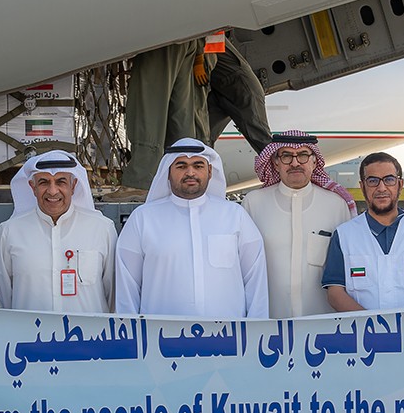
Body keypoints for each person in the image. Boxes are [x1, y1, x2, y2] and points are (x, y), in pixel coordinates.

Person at [115, 139, 269, 317]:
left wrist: (254, 332)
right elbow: (127, 287)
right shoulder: (143, 219)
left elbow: (255, 281)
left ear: (210, 171)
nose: (190, 172)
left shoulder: (235, 216)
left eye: (198, 165)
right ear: (167, 172)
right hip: (159, 337)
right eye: (181, 166)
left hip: (227, 337)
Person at [243, 131, 356, 317]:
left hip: (322, 320)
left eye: (303, 155)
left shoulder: (336, 205)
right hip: (269, 320)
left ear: (314, 161)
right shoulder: (254, 203)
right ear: (275, 163)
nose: (295, 163)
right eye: (286, 156)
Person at [322, 151, 404, 311]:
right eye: (373, 181)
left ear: (400, 184)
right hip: (365, 333)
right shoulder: (344, 235)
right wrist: (374, 326)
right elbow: (335, 292)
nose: (381, 188)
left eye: (389, 180)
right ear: (362, 186)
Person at [0, 152, 117, 313]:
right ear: (33, 187)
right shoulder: (10, 231)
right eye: (44, 182)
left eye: (61, 182)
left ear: (73, 186)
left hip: (88, 336)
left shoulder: (102, 228)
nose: (52, 191)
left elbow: (113, 294)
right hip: (31, 336)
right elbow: (5, 297)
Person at [123, 38, 208, 190]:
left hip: (162, 36)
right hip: (188, 37)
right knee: (180, 116)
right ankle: (183, 181)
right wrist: (199, 51)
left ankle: (140, 181)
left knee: (149, 107)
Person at [202, 36, 273, 155]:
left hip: (240, 87)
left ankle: (283, 169)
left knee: (261, 139)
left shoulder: (207, 31)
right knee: (201, 139)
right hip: (221, 88)